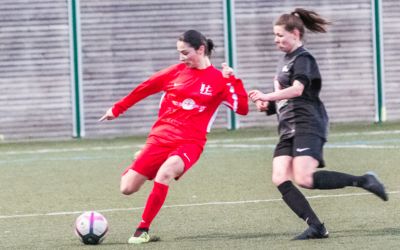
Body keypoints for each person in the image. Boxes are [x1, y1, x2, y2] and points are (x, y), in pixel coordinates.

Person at [248, 8, 388, 240]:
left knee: (304, 178)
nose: (276, 40)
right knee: (279, 176)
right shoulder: (284, 62)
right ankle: (316, 226)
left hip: (307, 124)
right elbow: (282, 97)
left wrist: (267, 96)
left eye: (280, 35)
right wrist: (266, 106)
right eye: (274, 35)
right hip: (287, 128)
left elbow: (297, 89)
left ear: (295, 33)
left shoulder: (304, 58)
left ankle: (364, 180)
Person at [99, 29, 249, 244]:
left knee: (165, 173)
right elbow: (145, 88)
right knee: (127, 188)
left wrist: (233, 80)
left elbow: (242, 108)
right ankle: (142, 160)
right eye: (179, 53)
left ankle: (142, 230)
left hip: (190, 143)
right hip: (160, 138)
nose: (181, 58)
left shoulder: (219, 79)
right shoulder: (175, 72)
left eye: (185, 53)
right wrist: (117, 109)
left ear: (201, 49)